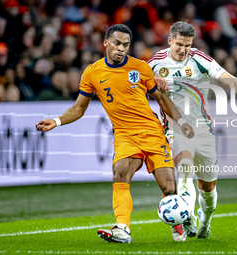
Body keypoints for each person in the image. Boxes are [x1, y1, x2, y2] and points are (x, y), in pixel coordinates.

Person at [36, 24, 194, 243]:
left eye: (126, 45)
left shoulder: (140, 68)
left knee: (168, 187)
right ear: (106, 43)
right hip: (124, 135)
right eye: (117, 43)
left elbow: (161, 99)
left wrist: (182, 121)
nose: (121, 48)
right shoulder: (92, 72)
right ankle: (122, 228)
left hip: (151, 132)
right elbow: (78, 108)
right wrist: (56, 120)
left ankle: (178, 221)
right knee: (120, 173)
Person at [148, 21, 237, 241]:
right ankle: (187, 216)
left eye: (188, 45)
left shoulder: (199, 59)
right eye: (179, 44)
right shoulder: (154, 63)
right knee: (184, 170)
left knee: (207, 189)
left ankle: (205, 219)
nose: (183, 50)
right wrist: (151, 80)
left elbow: (227, 78)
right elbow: (134, 83)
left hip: (203, 130)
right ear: (170, 40)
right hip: (176, 129)